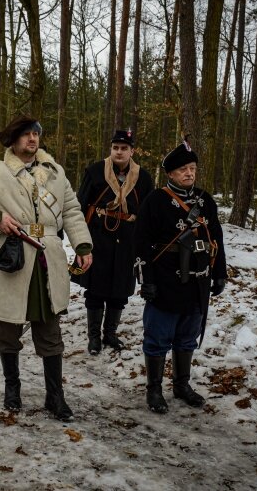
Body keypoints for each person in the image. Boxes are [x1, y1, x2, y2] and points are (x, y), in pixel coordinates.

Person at [0, 116, 93, 422]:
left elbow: (72, 210)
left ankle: (54, 397)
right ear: (13, 139)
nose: (32, 139)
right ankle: (12, 388)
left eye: (35, 134)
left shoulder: (56, 172)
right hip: (13, 257)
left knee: (50, 331)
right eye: (26, 135)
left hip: (48, 258)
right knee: (8, 329)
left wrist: (83, 245)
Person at [133, 140, 227, 414]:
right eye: (183, 169)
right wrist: (146, 278)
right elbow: (140, 242)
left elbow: (216, 238)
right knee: (158, 337)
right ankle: (154, 389)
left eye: (193, 168)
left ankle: (182, 385)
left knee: (188, 336)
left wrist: (219, 272)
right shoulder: (155, 201)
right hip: (165, 281)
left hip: (197, 281)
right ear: (170, 173)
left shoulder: (204, 200)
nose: (189, 173)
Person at [76, 129, 153, 354]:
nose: (119, 152)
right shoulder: (95, 171)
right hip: (98, 236)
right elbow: (81, 203)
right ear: (111, 149)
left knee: (119, 290)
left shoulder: (144, 177)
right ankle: (93, 337)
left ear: (132, 151)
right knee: (96, 290)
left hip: (128, 239)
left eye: (124, 148)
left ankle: (110, 334)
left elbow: (148, 212)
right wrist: (80, 237)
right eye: (115, 148)